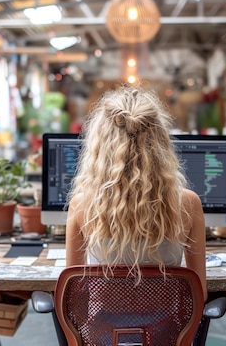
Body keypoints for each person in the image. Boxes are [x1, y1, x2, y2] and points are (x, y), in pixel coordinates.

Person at [65, 85, 207, 301]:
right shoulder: (188, 203)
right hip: (169, 332)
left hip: (101, 332)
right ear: (160, 142)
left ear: (99, 146)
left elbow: (72, 294)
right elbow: (200, 293)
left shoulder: (82, 205)